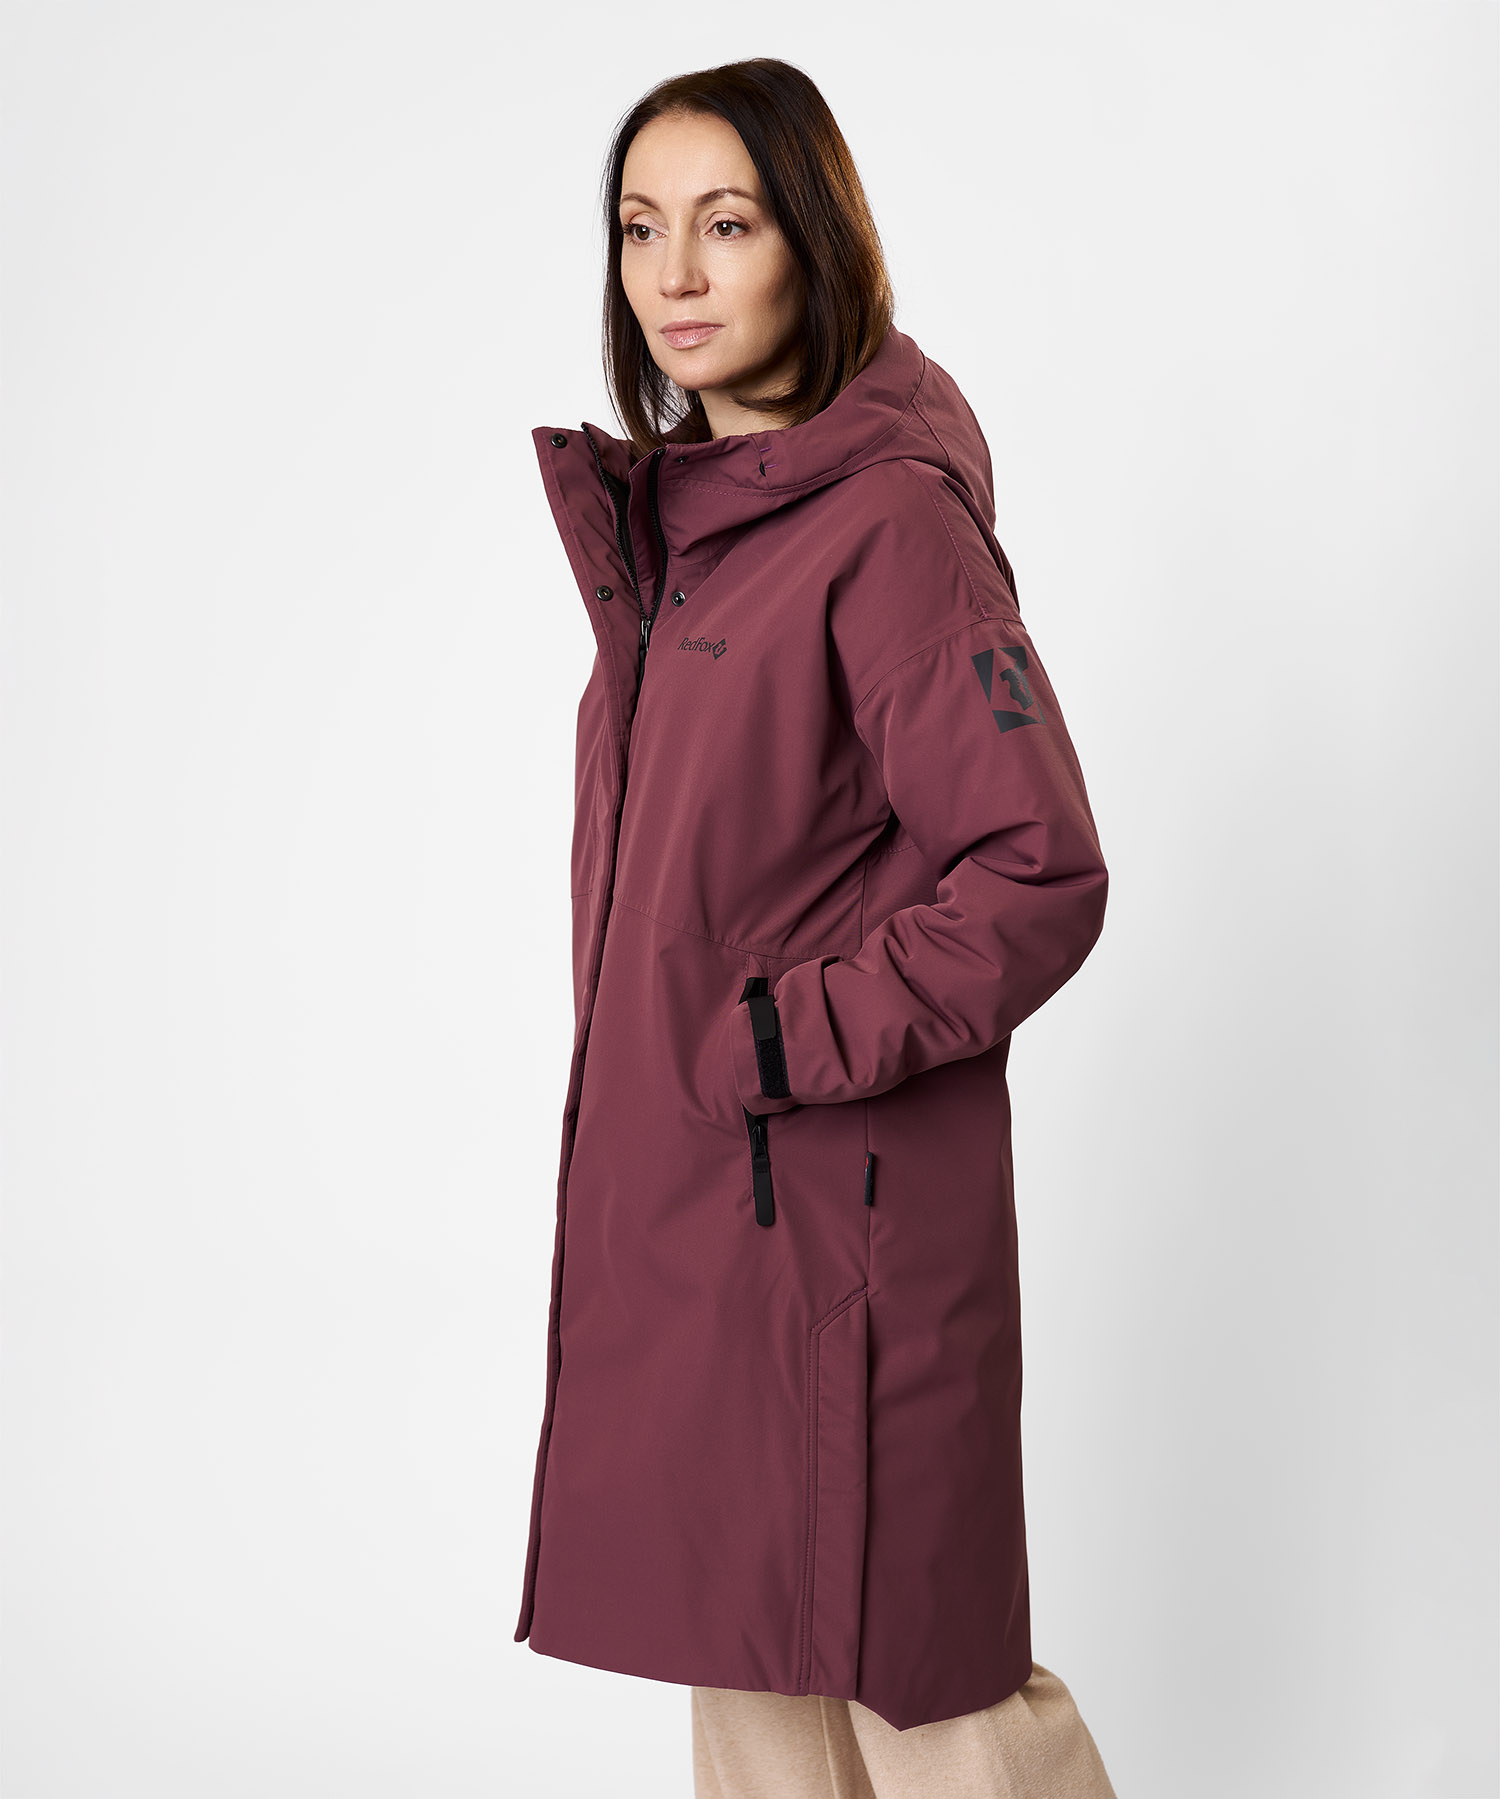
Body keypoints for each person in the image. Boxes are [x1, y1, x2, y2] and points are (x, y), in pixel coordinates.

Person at [515, 56, 1118, 1798]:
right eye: (641, 229)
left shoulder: (888, 527)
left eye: (726, 224)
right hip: (694, 1211)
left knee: (929, 1688)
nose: (675, 274)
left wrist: (786, 1037)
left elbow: (1039, 867)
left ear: (816, 242)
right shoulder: (691, 539)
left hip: (846, 1225)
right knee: (747, 1666)